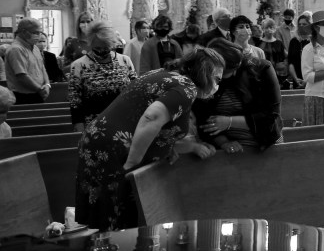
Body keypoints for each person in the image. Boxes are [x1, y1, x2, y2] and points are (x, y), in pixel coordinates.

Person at [75, 47, 224, 231]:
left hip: (99, 140)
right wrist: (132, 163)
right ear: (204, 73)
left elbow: (148, 118)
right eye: (217, 79)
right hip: (115, 150)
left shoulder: (166, 74)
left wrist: (169, 148)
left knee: (108, 220)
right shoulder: (186, 87)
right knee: (116, 220)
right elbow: (151, 117)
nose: (217, 86)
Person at [195, 39, 282, 152]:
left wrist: (229, 122)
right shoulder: (208, 74)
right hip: (225, 150)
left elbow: (271, 116)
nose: (234, 74)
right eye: (218, 76)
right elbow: (203, 119)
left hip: (265, 143)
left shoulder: (263, 68)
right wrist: (224, 142)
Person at [68, 21, 137, 132]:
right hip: (93, 125)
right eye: (97, 47)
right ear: (91, 44)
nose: (101, 51)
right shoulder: (78, 65)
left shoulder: (124, 60)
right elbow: (75, 100)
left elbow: (134, 91)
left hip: (124, 120)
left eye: (105, 47)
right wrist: (79, 128)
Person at [300, 10, 324, 126]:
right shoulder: (309, 49)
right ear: (316, 28)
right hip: (317, 97)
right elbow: (307, 76)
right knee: (318, 133)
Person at [6, 18, 50, 104]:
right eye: (36, 33)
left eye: (40, 32)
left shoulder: (35, 48)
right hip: (22, 96)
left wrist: (47, 85)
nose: (39, 35)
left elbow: (42, 68)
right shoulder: (16, 49)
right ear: (24, 32)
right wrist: (39, 89)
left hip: (38, 93)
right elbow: (22, 76)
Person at [258, 18, 288, 88]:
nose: (269, 30)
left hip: (278, 74)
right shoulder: (259, 43)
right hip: (263, 73)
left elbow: (285, 57)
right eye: (266, 27)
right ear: (263, 29)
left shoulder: (279, 43)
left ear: (274, 28)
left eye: (271, 27)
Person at [286, 12, 312, 89]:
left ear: (310, 25)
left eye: (304, 24)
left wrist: (307, 80)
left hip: (312, 80)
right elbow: (290, 63)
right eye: (299, 24)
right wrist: (296, 79)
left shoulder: (313, 41)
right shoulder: (294, 41)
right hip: (297, 79)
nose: (301, 26)